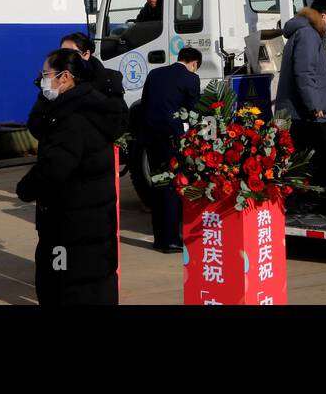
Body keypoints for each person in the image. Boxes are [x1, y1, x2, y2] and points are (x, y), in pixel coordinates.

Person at [16, 48, 128, 305]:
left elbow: (53, 169)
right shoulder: (94, 109)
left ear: (65, 77)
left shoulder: (70, 120)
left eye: (46, 75)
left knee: (63, 288)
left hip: (70, 230)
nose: (43, 81)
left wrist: (25, 188)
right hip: (94, 229)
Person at [275, 0, 326, 213]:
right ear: (323, 15)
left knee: (300, 158)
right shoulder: (308, 35)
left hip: (300, 110)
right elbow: (304, 74)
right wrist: (315, 106)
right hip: (309, 111)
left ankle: (298, 203)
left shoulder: (308, 33)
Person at [136, 47, 202, 252]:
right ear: (194, 63)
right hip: (172, 140)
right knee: (173, 187)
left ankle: (159, 238)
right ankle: (172, 239)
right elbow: (193, 109)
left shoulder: (155, 73)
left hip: (150, 138)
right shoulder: (191, 78)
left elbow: (144, 104)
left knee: (158, 185)